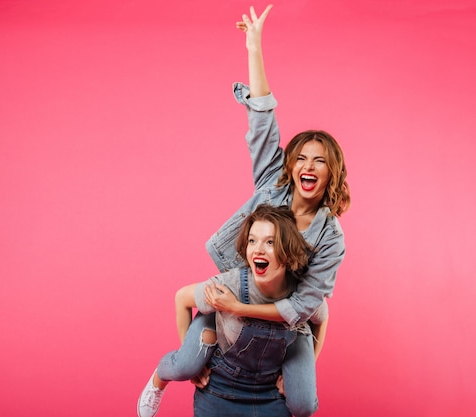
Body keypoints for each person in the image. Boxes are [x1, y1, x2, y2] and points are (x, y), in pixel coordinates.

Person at [137, 4, 350, 417]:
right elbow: (263, 121)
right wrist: (254, 48)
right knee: (191, 360)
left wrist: (293, 356)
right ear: (290, 165)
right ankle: (161, 377)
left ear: (331, 173)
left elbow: (306, 309)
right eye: (301, 157)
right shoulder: (273, 183)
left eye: (319, 161)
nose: (307, 165)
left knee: (304, 402)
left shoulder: (332, 238)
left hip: (285, 313)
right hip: (239, 291)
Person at [149, 204, 325, 417]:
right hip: (223, 382)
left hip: (271, 384)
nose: (258, 249)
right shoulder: (231, 284)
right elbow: (182, 298)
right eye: (252, 240)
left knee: (304, 406)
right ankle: (160, 377)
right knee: (185, 366)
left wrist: (305, 368)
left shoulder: (303, 294)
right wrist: (191, 357)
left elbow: (322, 318)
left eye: (270, 242)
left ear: (288, 251)